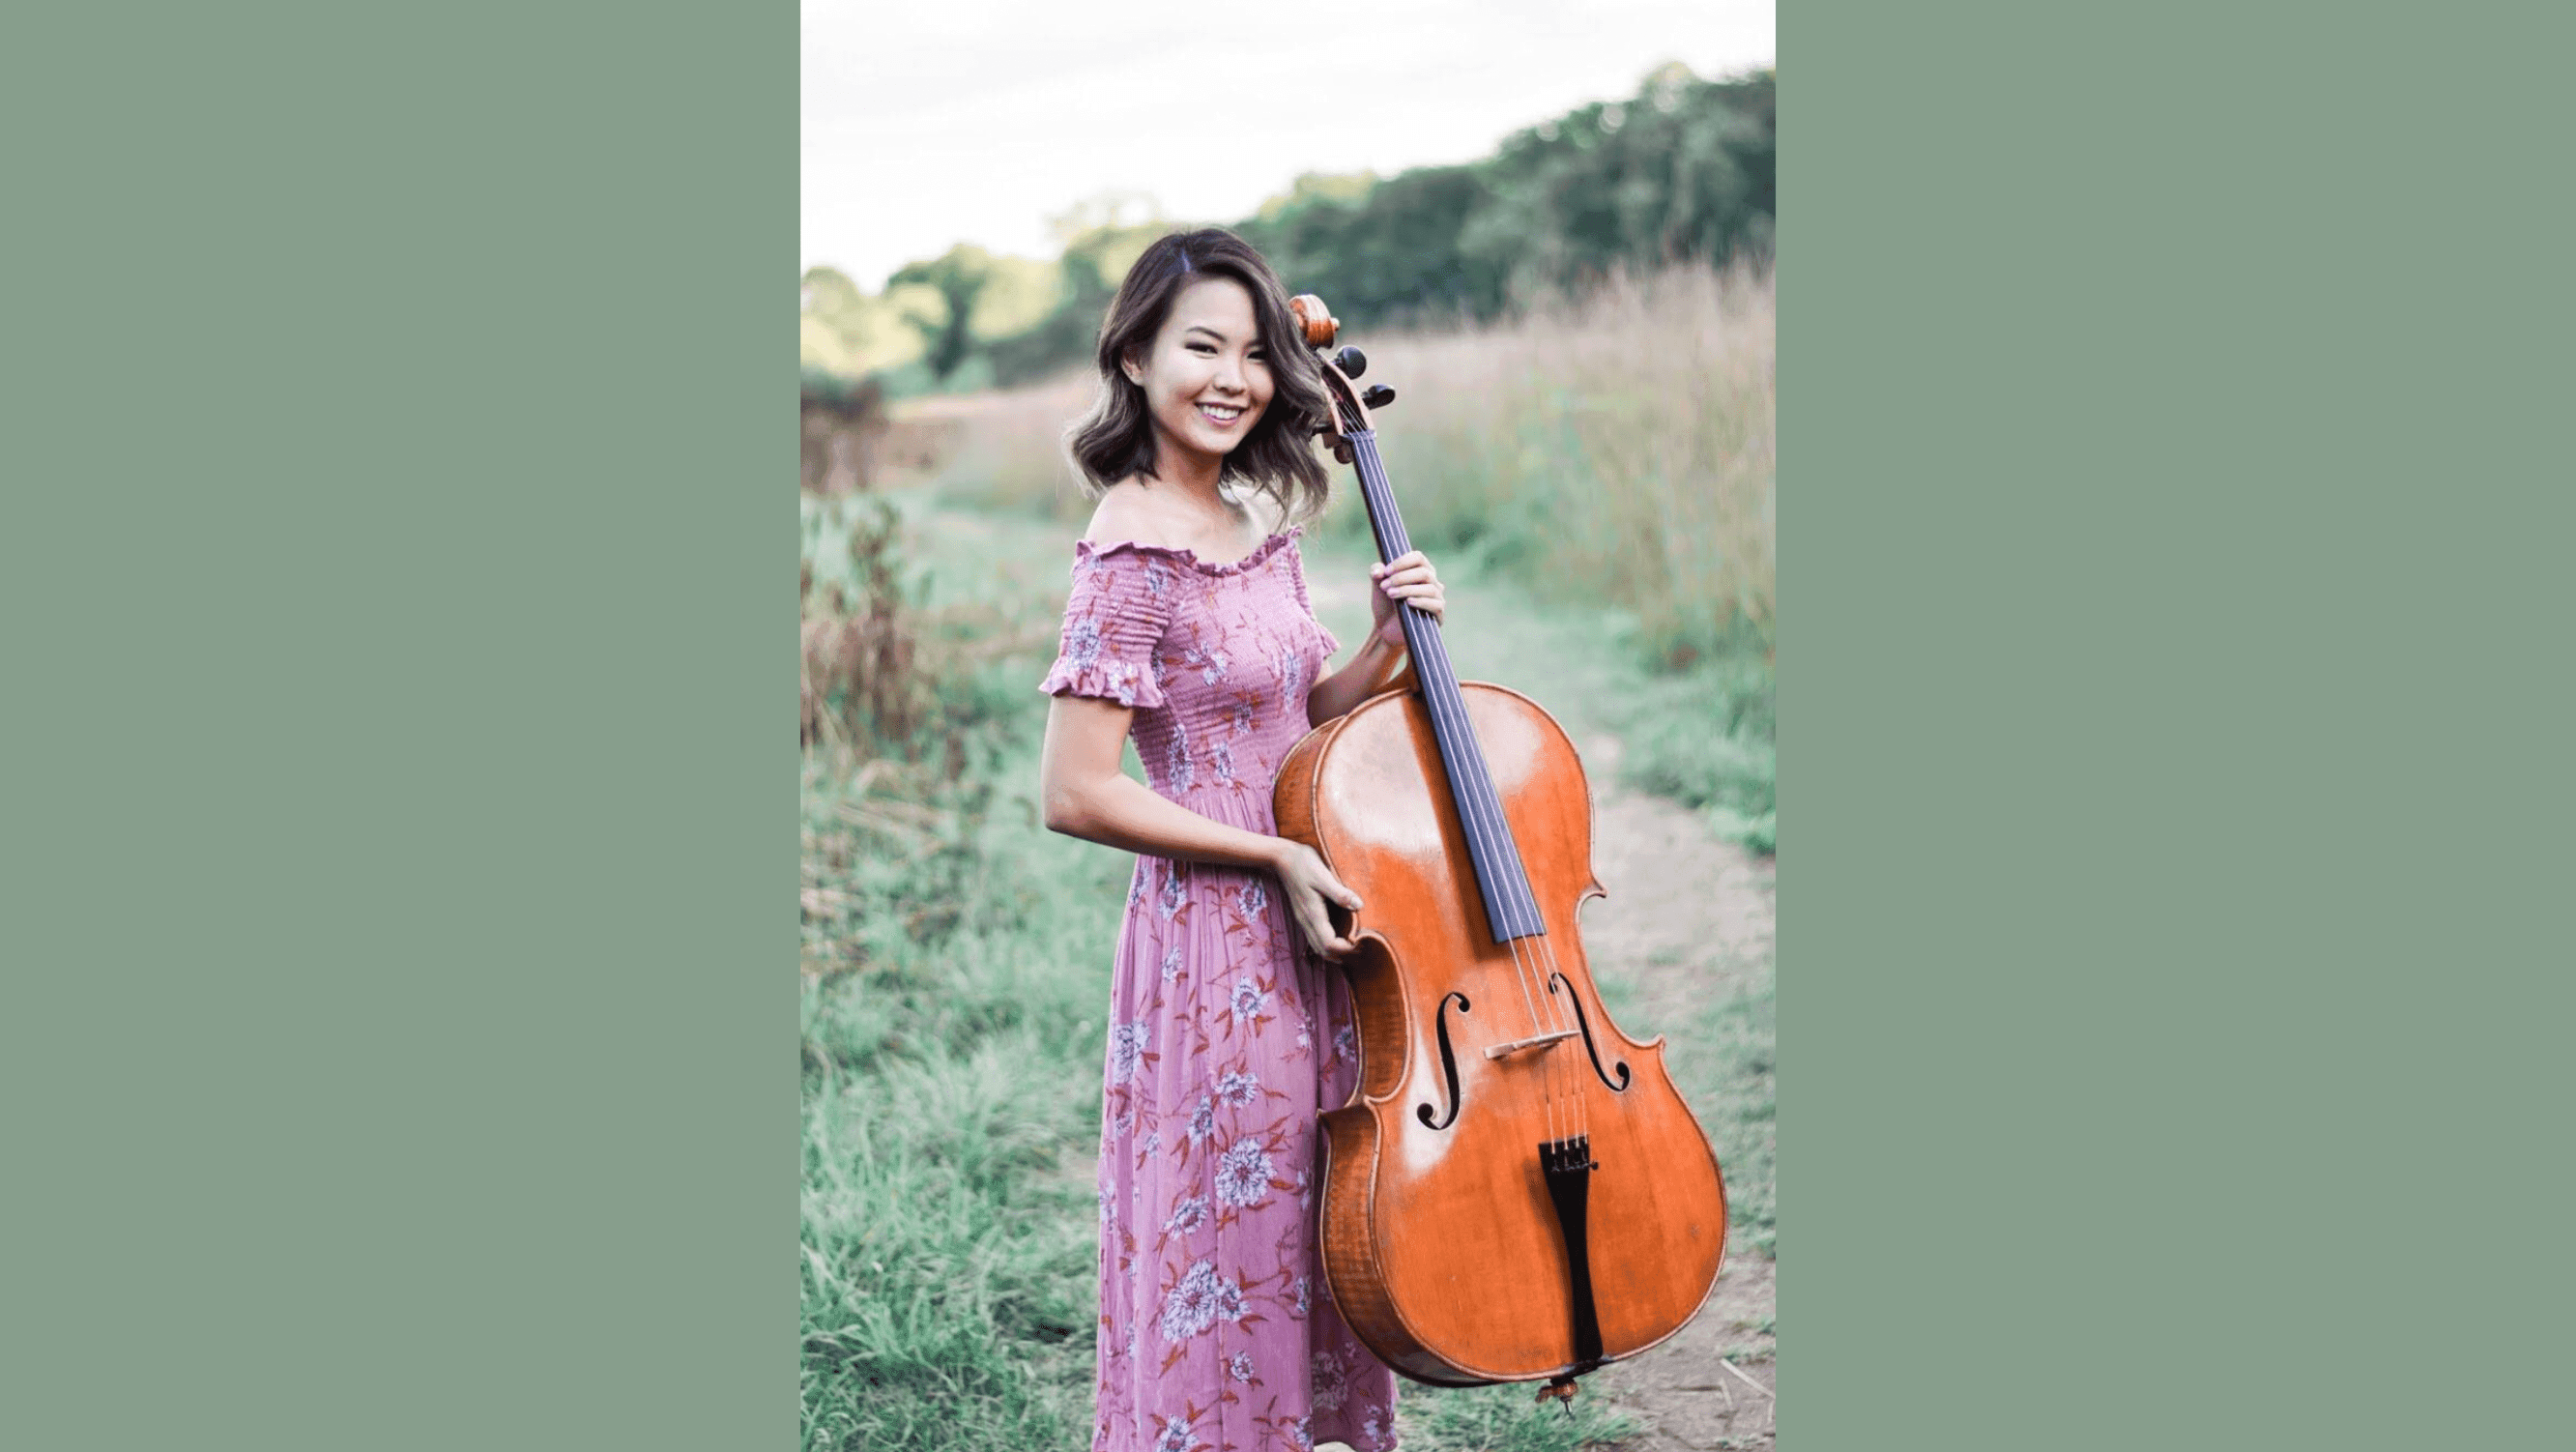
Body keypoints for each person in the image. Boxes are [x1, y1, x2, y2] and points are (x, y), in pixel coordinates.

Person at [1036, 226, 1444, 1452]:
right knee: (1232, 1235)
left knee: (1315, 1233)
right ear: (1136, 356)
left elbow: (1294, 719)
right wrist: (1269, 854)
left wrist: (1378, 641)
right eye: (1200, 345)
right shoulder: (1132, 544)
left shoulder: (1248, 518)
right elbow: (1074, 789)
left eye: (1254, 351)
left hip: (1321, 921)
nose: (1233, 375)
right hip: (1218, 942)